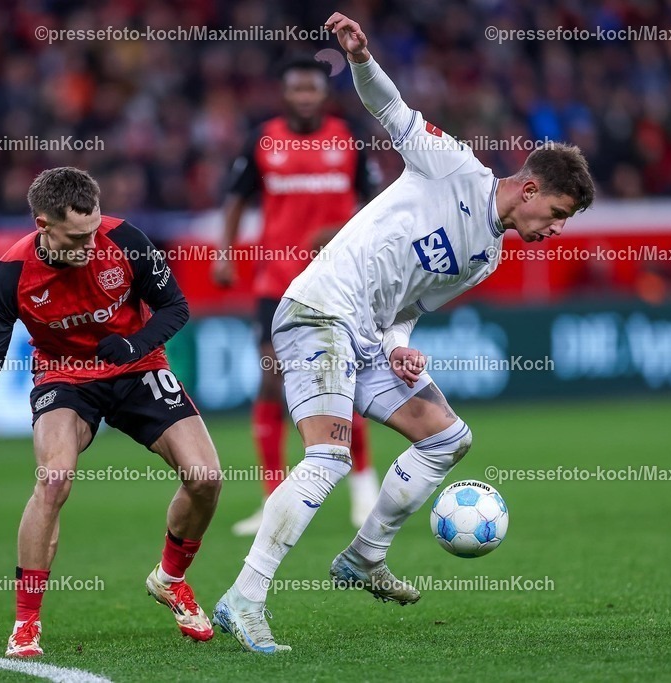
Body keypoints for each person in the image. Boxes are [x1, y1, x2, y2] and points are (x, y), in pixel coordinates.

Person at [213, 12, 595, 653]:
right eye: (556, 214)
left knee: (448, 438)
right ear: (529, 188)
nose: (555, 230)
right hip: (316, 310)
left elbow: (406, 307)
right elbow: (391, 110)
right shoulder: (453, 168)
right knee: (328, 458)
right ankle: (243, 600)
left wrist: (400, 348)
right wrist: (361, 59)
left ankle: (364, 557)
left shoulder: (488, 256)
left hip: (362, 335)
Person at [0, 167, 222, 656]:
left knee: (206, 476)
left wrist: (135, 342)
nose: (90, 244)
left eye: (94, 231)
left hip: (137, 364)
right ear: (43, 225)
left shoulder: (125, 240)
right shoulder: (11, 276)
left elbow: (175, 307)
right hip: (65, 376)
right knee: (53, 478)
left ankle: (170, 578)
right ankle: (26, 624)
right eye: (77, 237)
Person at [213, 56, 382, 535]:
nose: (305, 97)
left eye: (312, 90)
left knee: (341, 374)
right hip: (276, 279)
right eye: (296, 90)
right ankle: (272, 498)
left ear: (322, 95)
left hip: (335, 279)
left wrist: (340, 230)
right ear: (284, 94)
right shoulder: (263, 139)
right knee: (271, 379)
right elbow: (236, 197)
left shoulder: (346, 138)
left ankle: (362, 484)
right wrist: (225, 254)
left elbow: (377, 205)